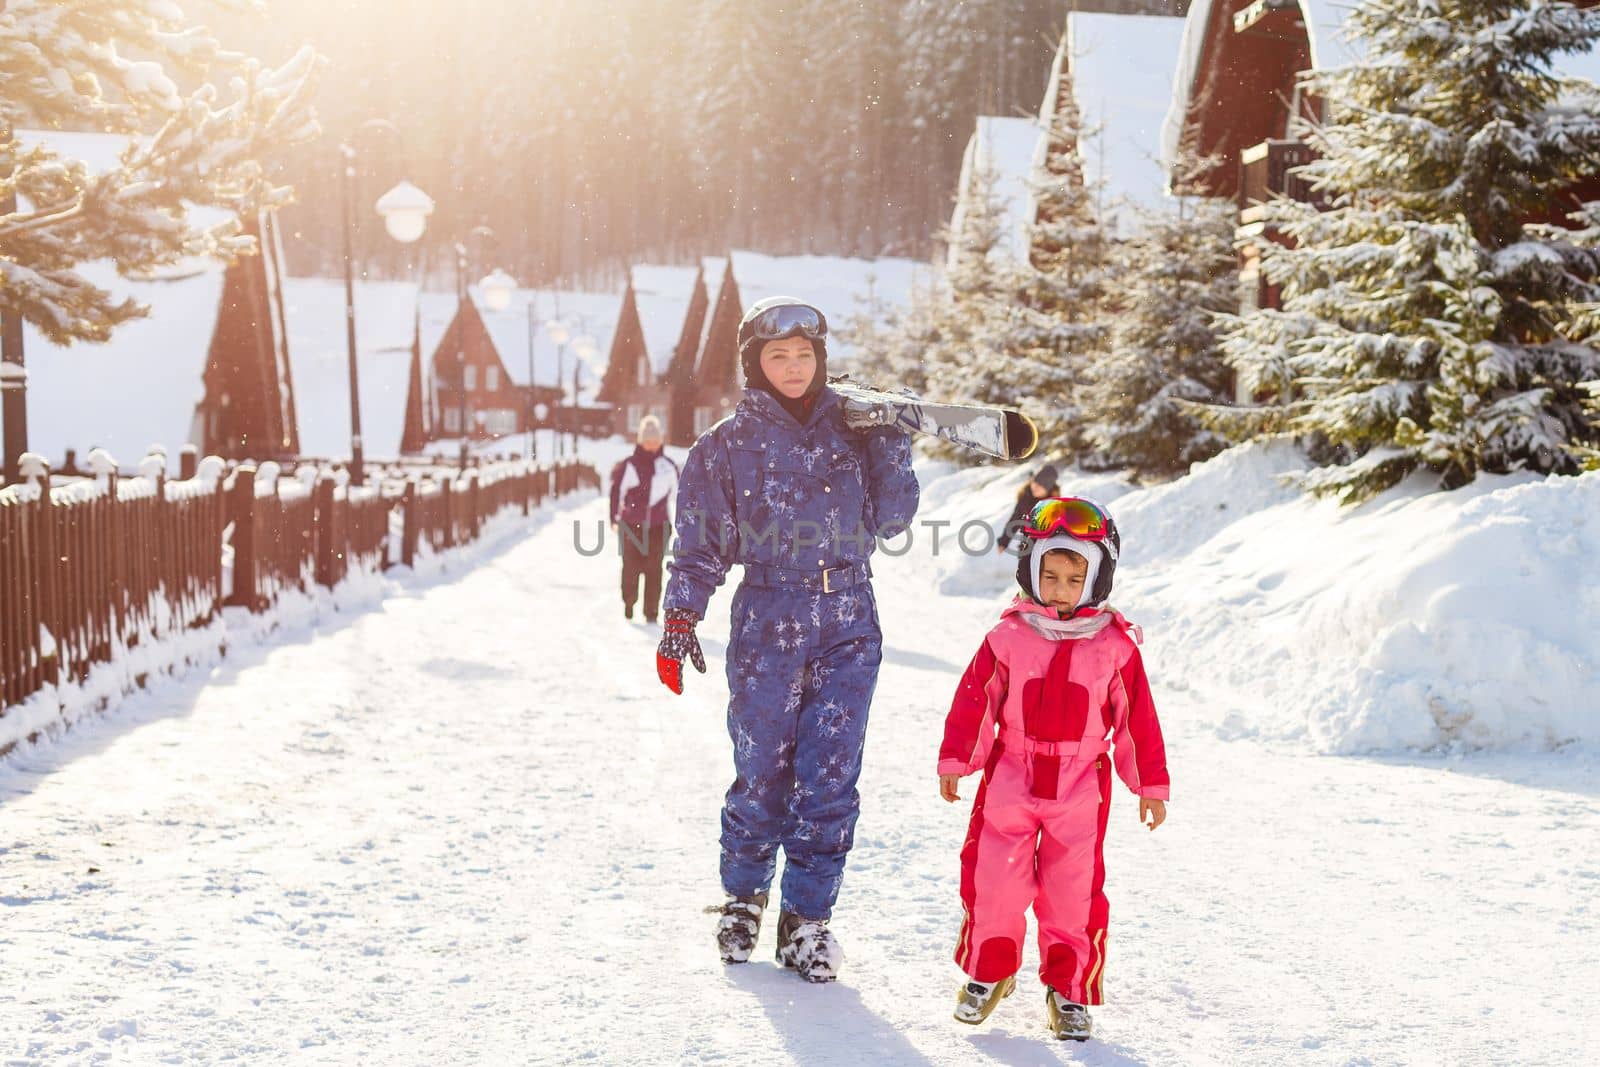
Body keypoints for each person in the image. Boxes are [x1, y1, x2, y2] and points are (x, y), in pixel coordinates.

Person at [654, 296, 920, 982]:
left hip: (848, 619)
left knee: (830, 776)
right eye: (779, 355)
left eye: (805, 354)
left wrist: (892, 436)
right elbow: (699, 549)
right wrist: (680, 616)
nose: (794, 367)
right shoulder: (724, 447)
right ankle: (743, 899)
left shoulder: (857, 431)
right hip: (768, 618)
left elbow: (892, 520)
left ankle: (807, 923)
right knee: (762, 771)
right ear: (755, 362)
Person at [938, 496, 1169, 1041]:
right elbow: (976, 701)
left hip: (1080, 782)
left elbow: (1137, 720)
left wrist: (1149, 785)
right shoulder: (1007, 637)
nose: (1060, 588)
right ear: (1030, 570)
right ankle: (989, 971)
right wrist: (957, 758)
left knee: (1073, 890)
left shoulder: (1114, 648)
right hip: (1011, 773)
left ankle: (1068, 988)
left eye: (1073, 578)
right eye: (1050, 574)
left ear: (1095, 580)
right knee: (994, 878)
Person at [609, 414, 680, 624]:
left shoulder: (668, 466)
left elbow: (679, 496)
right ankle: (629, 602)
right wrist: (614, 516)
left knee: (653, 568)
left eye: (655, 441)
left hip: (659, 526)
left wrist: (684, 523)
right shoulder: (629, 465)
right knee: (631, 566)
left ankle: (651, 612)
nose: (652, 446)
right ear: (641, 441)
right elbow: (616, 492)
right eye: (648, 442)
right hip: (631, 525)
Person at [996, 465, 1060, 554]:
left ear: (1048, 489)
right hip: (1027, 546)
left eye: (1041, 485)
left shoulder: (1053, 505)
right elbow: (1015, 521)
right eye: (1035, 482)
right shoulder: (1025, 498)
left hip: (1047, 549)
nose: (1036, 487)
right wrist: (1003, 542)